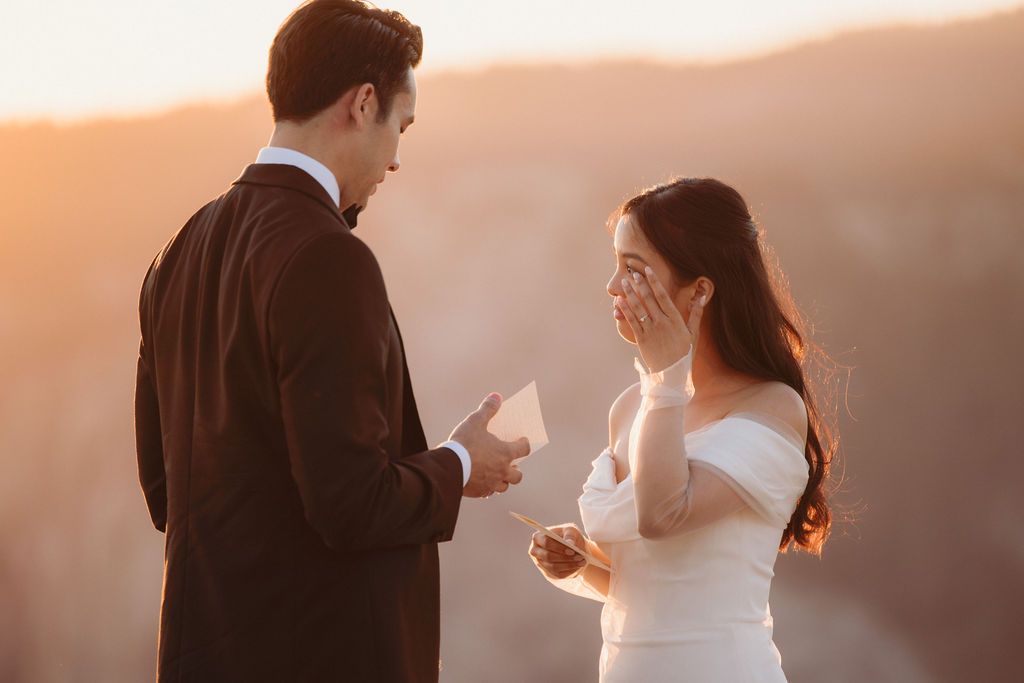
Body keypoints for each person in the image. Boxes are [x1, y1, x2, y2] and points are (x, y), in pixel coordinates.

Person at [134, 1, 528, 681]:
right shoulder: (327, 256)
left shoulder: (179, 249)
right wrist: (460, 463)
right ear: (363, 103)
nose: (397, 159)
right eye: (401, 126)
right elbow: (350, 504)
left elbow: (166, 489)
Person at [528, 178, 836, 682]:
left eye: (632, 269)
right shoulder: (631, 407)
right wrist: (580, 559)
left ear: (699, 291)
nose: (612, 286)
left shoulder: (772, 407)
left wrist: (667, 377)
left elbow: (663, 515)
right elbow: (655, 582)